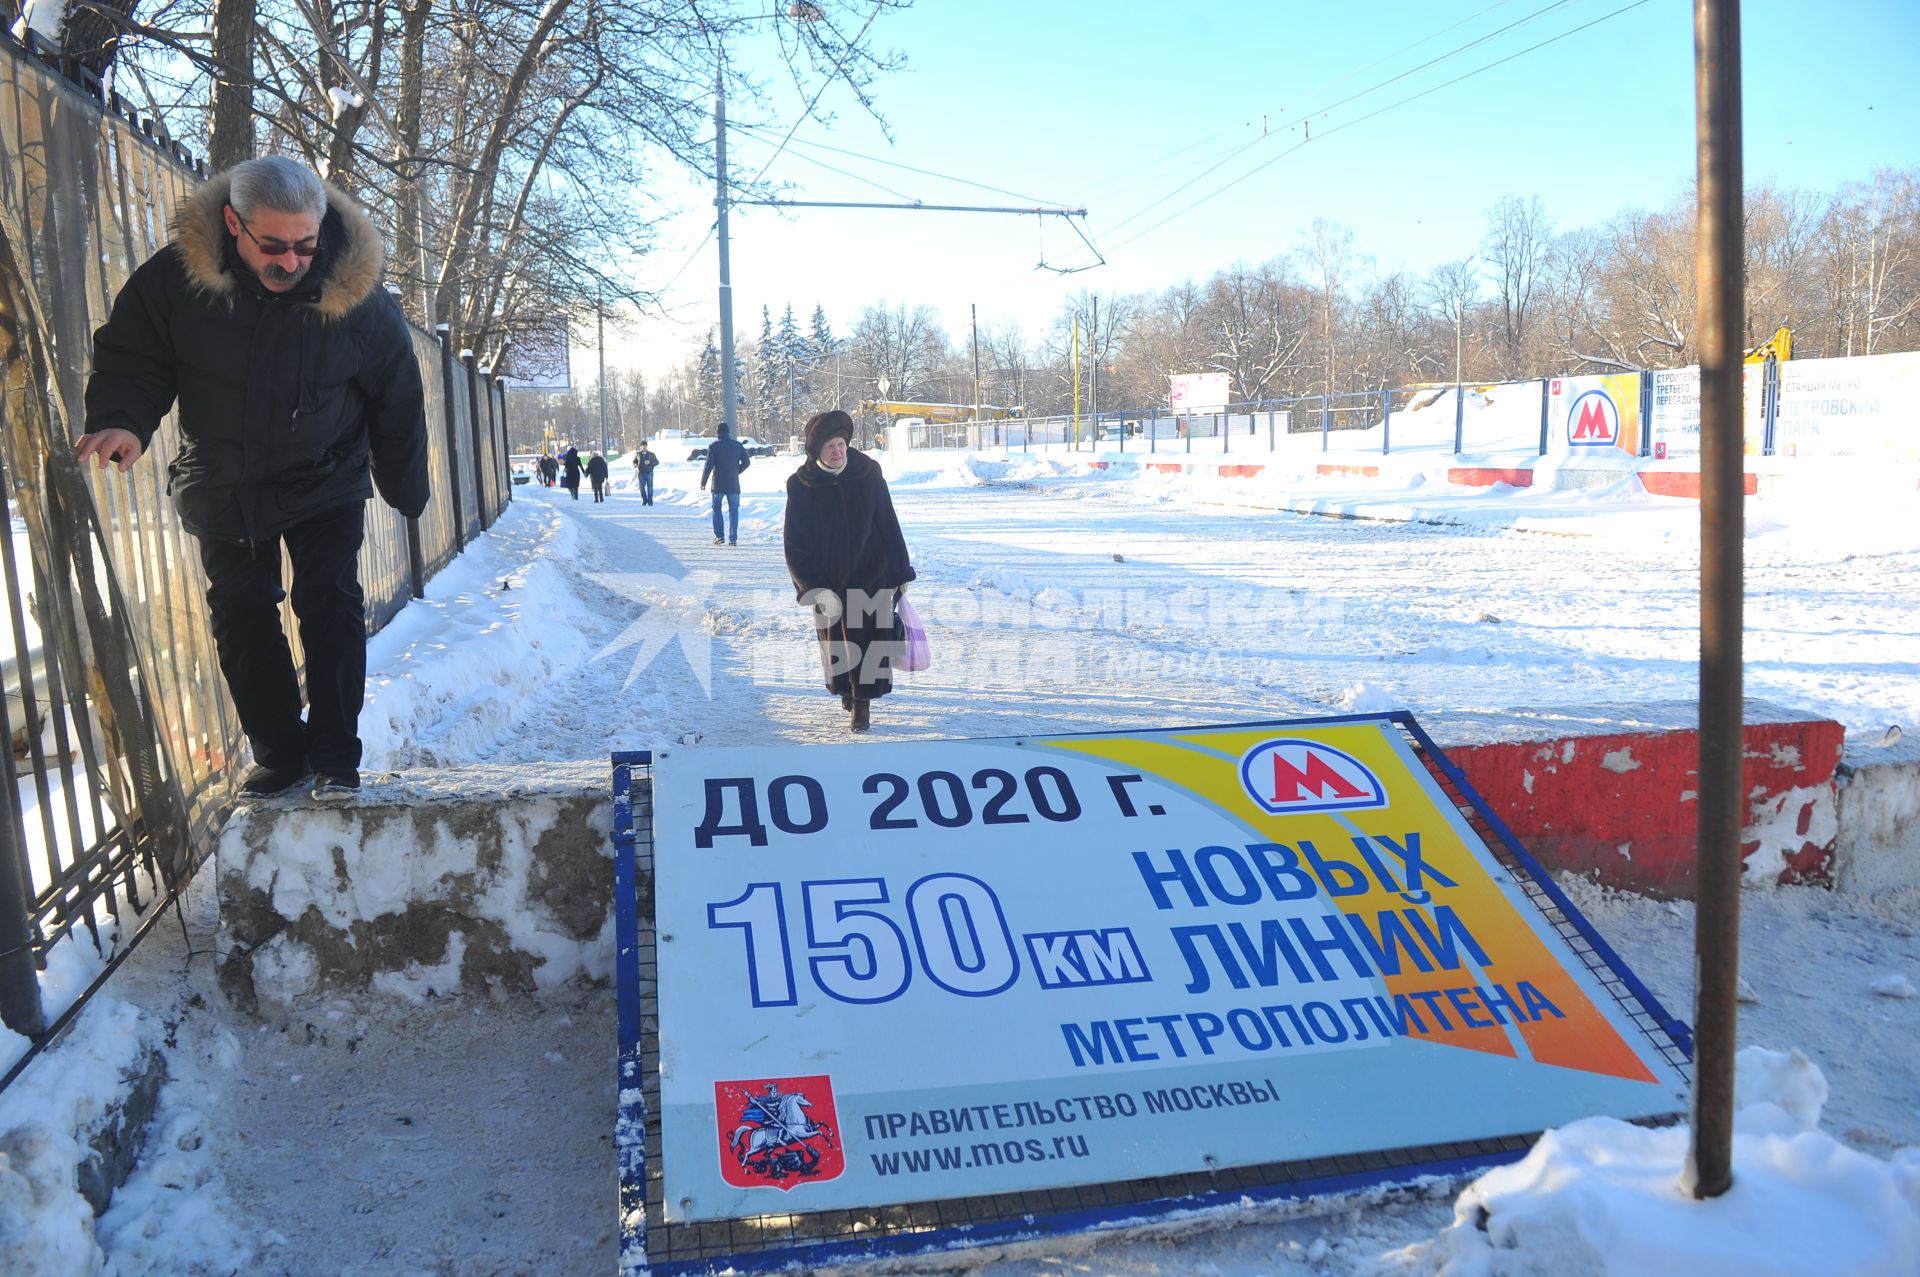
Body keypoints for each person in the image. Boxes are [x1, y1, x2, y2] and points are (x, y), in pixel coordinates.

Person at [75, 155, 428, 803]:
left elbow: (397, 392)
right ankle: (280, 754)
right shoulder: (176, 281)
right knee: (240, 615)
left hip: (326, 476)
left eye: (304, 244)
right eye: (273, 245)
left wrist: (405, 483)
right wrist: (122, 419)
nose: (291, 262)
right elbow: (133, 354)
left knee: (329, 602)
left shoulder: (356, 295)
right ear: (233, 224)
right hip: (225, 480)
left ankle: (333, 758)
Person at [783, 410, 914, 733]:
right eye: (830, 446)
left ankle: (862, 704)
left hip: (873, 575)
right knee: (837, 645)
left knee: (871, 642)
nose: (838, 451)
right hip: (828, 581)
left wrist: (900, 571)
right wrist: (811, 586)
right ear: (816, 451)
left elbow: (888, 523)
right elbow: (794, 542)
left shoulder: (868, 473)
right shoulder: (801, 485)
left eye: (841, 443)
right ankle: (847, 690)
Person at [699, 420, 750, 545]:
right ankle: (733, 538)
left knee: (717, 508)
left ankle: (719, 536)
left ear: (718, 433)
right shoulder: (737, 445)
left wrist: (703, 482)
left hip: (718, 484)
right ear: (728, 432)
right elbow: (747, 462)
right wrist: (736, 471)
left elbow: (708, 465)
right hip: (733, 483)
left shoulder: (714, 446)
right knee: (734, 510)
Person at [633, 440, 658, 506]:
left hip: (649, 473)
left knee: (650, 487)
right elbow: (635, 461)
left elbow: (656, 462)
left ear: (647, 446)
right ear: (640, 447)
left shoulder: (651, 454)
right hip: (641, 473)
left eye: (645, 446)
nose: (644, 447)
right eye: (642, 446)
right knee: (641, 487)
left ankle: (650, 502)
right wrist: (635, 464)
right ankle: (644, 500)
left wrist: (650, 462)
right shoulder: (638, 454)